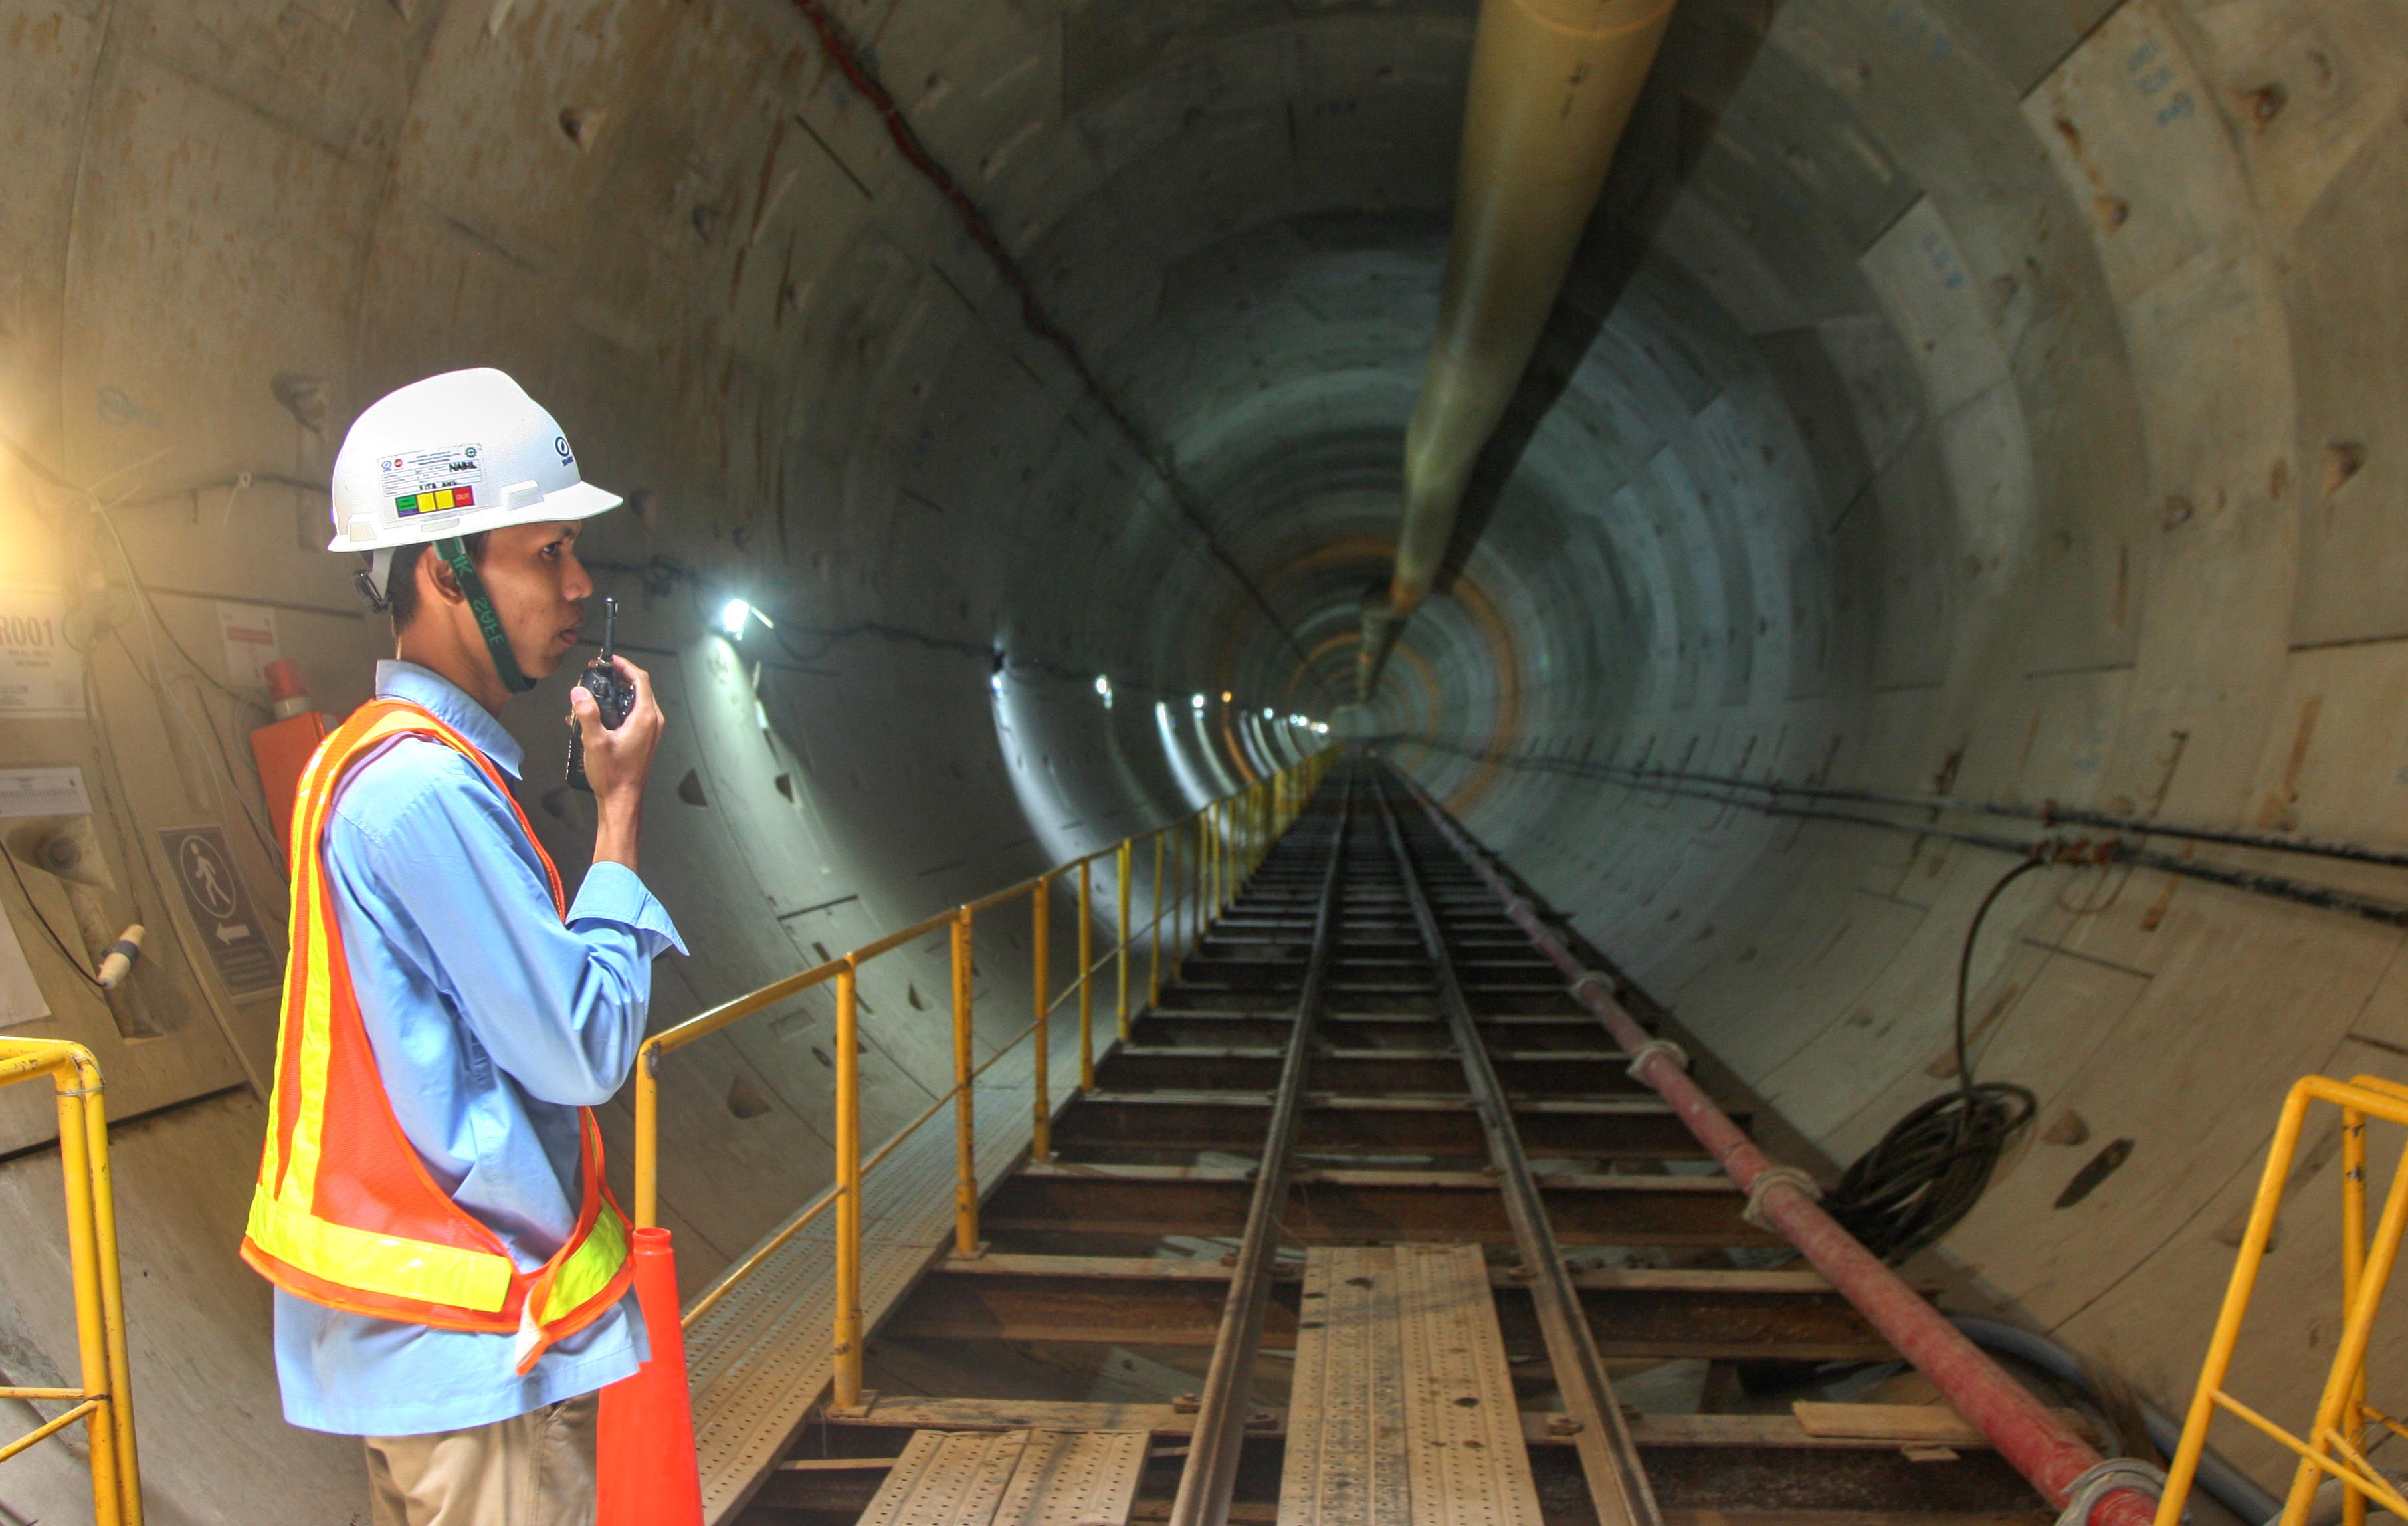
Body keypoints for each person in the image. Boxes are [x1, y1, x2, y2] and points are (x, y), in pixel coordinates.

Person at [239, 368, 684, 1525]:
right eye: (546, 555)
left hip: (427, 1340)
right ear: (444, 570)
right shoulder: (427, 793)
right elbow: (580, 1049)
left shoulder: (371, 760)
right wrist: (620, 810)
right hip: (482, 1340)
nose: (579, 586)